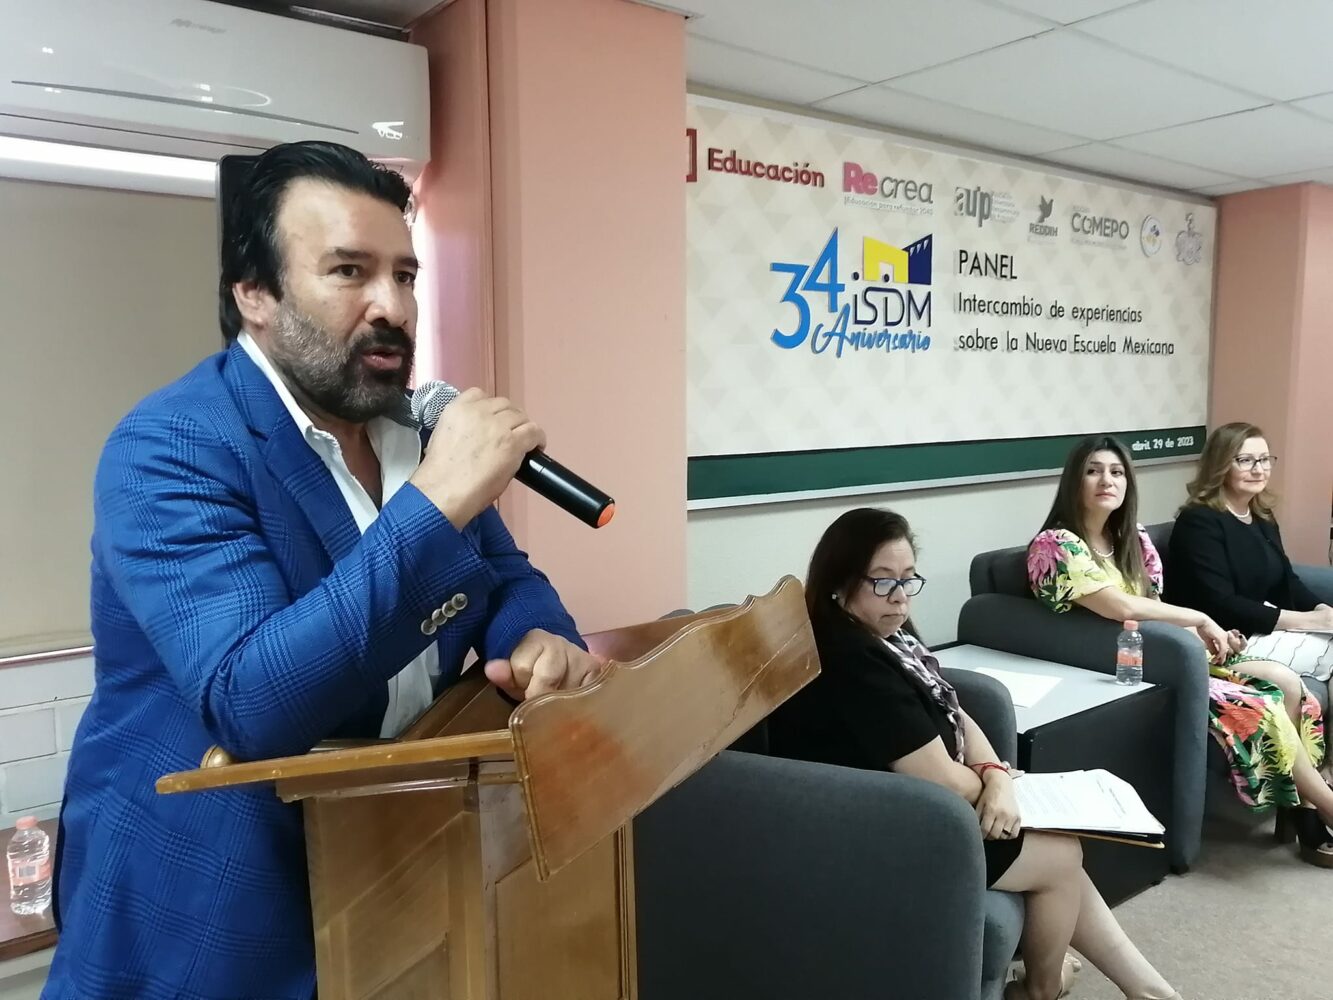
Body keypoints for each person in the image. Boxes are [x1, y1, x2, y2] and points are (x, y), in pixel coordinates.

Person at [44, 141, 601, 999]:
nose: (393, 307)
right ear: (254, 294)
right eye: (349, 271)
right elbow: (254, 703)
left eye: (405, 275)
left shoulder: (412, 431)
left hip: (394, 878)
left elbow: (505, 578)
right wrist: (440, 499)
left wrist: (537, 638)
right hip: (212, 922)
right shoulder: (170, 447)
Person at [769, 508, 1181, 1000]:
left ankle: (1150, 991)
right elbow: (940, 779)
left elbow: (956, 711)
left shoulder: (885, 634)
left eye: (907, 579)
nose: (900, 597)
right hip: (882, 828)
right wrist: (999, 789)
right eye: (882, 582)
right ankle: (1042, 989)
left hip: (924, 804)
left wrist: (998, 776)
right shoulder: (851, 661)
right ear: (839, 583)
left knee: (1059, 845)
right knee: (1062, 853)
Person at [1027, 435, 1333, 868]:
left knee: (1285, 681)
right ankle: (1325, 806)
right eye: (1093, 471)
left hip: (1175, 653)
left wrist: (1207, 634)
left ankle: (1303, 810)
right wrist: (1199, 619)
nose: (1106, 481)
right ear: (1074, 481)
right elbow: (1120, 606)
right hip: (1132, 665)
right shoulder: (1055, 544)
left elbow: (1155, 604)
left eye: (1116, 472)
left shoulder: (1132, 537)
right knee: (1261, 705)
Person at [1168, 421, 1333, 688]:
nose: (1258, 469)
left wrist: (1321, 610)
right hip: (1229, 637)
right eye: (1245, 461)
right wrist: (1306, 621)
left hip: (1262, 627)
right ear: (1221, 465)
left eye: (1264, 459)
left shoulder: (1261, 515)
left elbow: (1287, 581)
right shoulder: (1198, 522)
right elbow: (1220, 603)